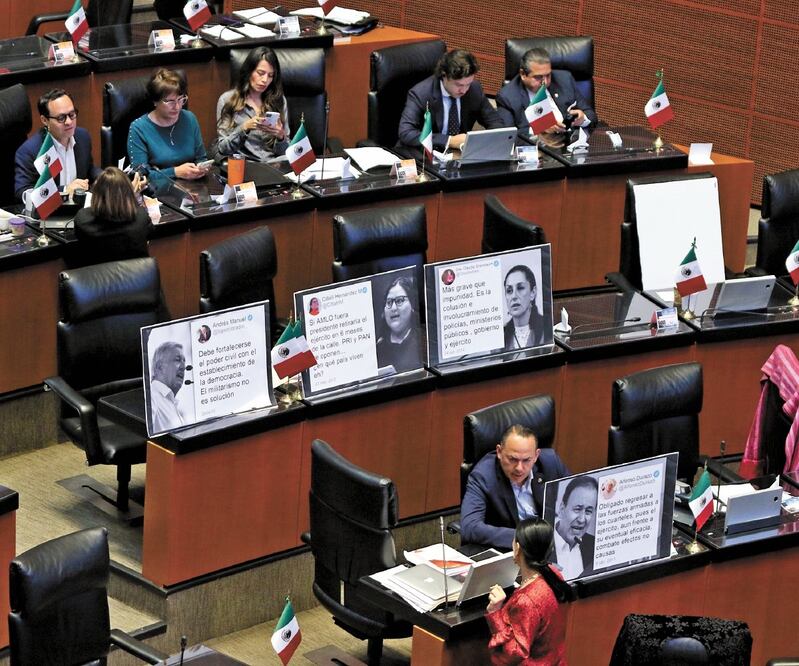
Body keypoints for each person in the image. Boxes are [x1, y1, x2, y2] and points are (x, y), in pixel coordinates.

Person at [461, 424, 570, 550]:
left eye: (526, 460)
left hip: (554, 546)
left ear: (536, 455)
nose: (519, 468)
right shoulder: (483, 476)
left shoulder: (551, 462)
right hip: (512, 551)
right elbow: (470, 527)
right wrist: (527, 538)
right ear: (499, 452)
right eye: (512, 459)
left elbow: (575, 501)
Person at [486, 519, 571, 665]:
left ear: (517, 548)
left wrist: (495, 613)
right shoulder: (554, 574)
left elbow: (513, 653)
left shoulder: (526, 601)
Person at [396, 49, 503, 153]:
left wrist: (492, 139)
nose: (464, 90)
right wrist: (449, 141)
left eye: (468, 84)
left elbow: (495, 122)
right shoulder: (420, 94)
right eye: (459, 85)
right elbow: (406, 133)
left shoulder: (474, 89)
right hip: (424, 155)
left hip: (458, 155)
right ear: (444, 76)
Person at [14, 88, 101, 201]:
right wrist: (64, 190)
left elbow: (89, 169)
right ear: (45, 120)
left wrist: (103, 178)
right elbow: (23, 192)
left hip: (79, 210)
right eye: (61, 118)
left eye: (72, 114)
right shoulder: (30, 151)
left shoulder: (82, 137)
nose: (69, 122)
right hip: (49, 215)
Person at [496, 48, 597, 138]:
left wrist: (582, 119)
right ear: (523, 74)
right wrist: (541, 129)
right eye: (538, 77)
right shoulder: (507, 97)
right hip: (536, 151)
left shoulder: (565, 79)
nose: (545, 81)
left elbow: (591, 115)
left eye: (548, 75)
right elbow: (507, 137)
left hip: (570, 146)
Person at [211, 46, 290, 163]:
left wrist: (281, 136)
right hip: (247, 167)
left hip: (275, 166)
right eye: (261, 73)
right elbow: (223, 148)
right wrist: (244, 128)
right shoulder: (227, 100)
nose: (265, 80)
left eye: (270, 75)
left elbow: (286, 152)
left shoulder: (278, 100)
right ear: (249, 71)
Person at [128, 68, 209, 180]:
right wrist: (175, 172)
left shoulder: (190, 118)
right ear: (155, 101)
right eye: (170, 101)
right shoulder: (138, 128)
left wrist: (202, 168)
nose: (177, 106)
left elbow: (201, 158)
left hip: (193, 187)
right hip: (157, 193)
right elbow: (140, 177)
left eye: (180, 99)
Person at [68, 166, 151, 267]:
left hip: (96, 280)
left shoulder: (83, 219)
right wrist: (132, 196)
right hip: (136, 280)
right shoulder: (141, 217)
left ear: (96, 195)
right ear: (128, 193)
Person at [552, 475, 597, 580]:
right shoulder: (541, 544)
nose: (582, 519)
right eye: (577, 509)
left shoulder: (595, 547)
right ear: (562, 509)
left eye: (588, 511)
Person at [376, 276, 422, 374]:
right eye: (388, 302)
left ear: (412, 304)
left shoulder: (422, 341)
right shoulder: (378, 348)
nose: (393, 308)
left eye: (399, 301)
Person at [504, 264, 545, 351]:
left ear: (533, 293)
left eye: (520, 288)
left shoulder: (546, 331)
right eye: (509, 291)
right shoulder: (501, 337)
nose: (514, 296)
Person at [150, 341, 187, 432]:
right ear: (160, 367)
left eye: (184, 361)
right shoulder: (152, 395)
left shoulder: (169, 402)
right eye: (177, 360)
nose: (183, 367)